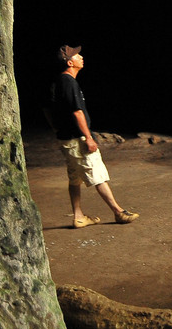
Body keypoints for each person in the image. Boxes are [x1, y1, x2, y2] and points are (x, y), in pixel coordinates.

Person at [48, 45, 139, 228]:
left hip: (66, 139)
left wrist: (57, 129)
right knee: (97, 174)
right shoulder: (69, 82)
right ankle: (118, 212)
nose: (81, 57)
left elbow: (46, 108)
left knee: (75, 178)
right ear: (70, 62)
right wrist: (88, 137)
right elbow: (77, 113)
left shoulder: (59, 81)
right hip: (77, 139)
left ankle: (79, 216)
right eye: (77, 55)